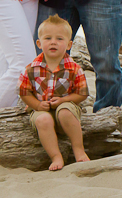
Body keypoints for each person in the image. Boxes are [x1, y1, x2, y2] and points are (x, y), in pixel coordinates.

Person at [18, 15, 90, 171]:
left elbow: (82, 93)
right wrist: (37, 104)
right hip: (41, 108)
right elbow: (24, 92)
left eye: (59, 39)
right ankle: (56, 156)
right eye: (48, 38)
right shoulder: (31, 68)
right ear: (39, 43)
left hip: (66, 106)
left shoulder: (74, 68)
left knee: (65, 112)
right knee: (43, 120)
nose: (53, 42)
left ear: (69, 44)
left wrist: (65, 100)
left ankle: (79, 149)